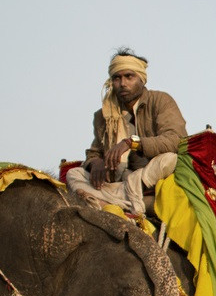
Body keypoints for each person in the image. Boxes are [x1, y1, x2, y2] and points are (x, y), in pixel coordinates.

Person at [65, 49, 186, 218]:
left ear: (141, 79)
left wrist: (131, 143)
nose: (122, 83)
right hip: (117, 185)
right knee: (73, 174)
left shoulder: (160, 101)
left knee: (170, 159)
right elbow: (94, 152)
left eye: (129, 76)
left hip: (150, 178)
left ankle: (114, 204)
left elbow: (176, 140)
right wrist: (95, 162)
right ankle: (126, 203)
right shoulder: (104, 115)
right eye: (117, 78)